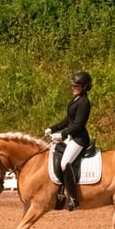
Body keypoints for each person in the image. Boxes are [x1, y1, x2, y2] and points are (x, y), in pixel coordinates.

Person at [44, 71, 93, 211]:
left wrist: (62, 134)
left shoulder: (84, 102)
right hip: (72, 137)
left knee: (65, 163)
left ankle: (73, 197)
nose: (73, 88)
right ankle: (59, 192)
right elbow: (68, 120)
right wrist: (53, 128)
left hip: (79, 139)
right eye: (73, 85)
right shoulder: (76, 99)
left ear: (84, 87)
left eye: (76, 86)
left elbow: (78, 125)